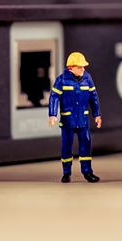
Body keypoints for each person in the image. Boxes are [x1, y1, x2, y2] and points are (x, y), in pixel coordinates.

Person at [48, 50, 101, 183]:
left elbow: (93, 98)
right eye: (80, 67)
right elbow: (54, 97)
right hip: (68, 121)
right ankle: (66, 172)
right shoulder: (62, 80)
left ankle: (87, 172)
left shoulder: (87, 78)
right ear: (71, 68)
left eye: (84, 66)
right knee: (66, 146)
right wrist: (52, 114)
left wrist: (97, 115)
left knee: (86, 145)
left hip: (83, 120)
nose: (83, 69)